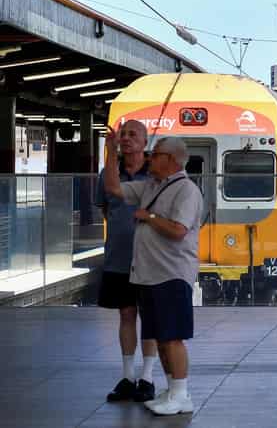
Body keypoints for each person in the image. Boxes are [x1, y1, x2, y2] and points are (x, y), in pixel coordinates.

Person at [103, 130, 203, 416]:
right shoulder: (151, 185)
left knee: (172, 338)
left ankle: (182, 394)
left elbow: (179, 230)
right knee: (160, 337)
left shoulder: (186, 190)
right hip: (148, 274)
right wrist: (111, 151)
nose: (149, 157)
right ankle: (172, 390)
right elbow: (114, 189)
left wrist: (150, 216)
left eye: (155, 153)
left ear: (171, 159)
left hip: (171, 274)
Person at [96, 120, 157, 403]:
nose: (126, 139)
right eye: (123, 134)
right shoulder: (107, 173)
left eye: (133, 134)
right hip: (119, 257)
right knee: (126, 314)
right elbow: (107, 208)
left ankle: (148, 377)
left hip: (150, 259)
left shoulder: (156, 174)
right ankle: (127, 376)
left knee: (150, 318)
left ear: (145, 142)